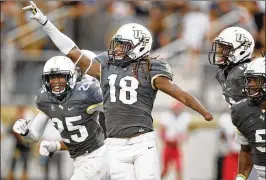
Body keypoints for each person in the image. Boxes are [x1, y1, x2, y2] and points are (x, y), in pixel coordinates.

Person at [22, 2, 213, 180]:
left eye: (124, 45)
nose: (118, 48)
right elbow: (72, 52)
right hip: (114, 144)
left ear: (140, 46)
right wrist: (46, 23)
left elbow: (180, 94)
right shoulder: (106, 64)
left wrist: (204, 112)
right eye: (118, 43)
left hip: (141, 141)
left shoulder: (151, 68)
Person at [13, 52, 110, 180]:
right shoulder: (46, 99)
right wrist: (25, 132)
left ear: (71, 76)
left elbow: (118, 109)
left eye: (60, 77)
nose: (55, 82)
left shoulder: (87, 94)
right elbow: (34, 137)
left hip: (99, 155)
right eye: (51, 77)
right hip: (79, 159)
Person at [231, 57, 265, 180]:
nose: (250, 84)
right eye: (249, 80)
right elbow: (246, 149)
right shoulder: (243, 110)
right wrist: (241, 177)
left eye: (256, 80)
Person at [208, 26, 255, 106]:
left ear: (241, 50)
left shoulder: (248, 73)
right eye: (219, 46)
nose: (219, 51)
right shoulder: (223, 72)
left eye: (224, 48)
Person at [159, 101, 191, 180]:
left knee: (179, 168)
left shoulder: (184, 117)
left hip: (176, 147)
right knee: (165, 170)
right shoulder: (166, 116)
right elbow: (162, 132)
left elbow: (186, 133)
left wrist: (182, 138)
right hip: (168, 146)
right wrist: (168, 139)